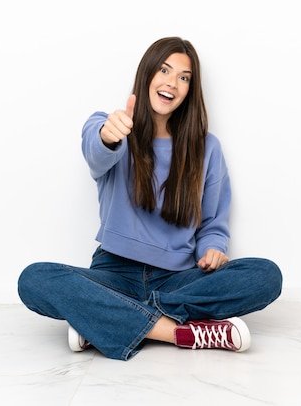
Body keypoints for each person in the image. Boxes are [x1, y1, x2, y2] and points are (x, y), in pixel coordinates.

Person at [17, 37, 283, 361]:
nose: (172, 83)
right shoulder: (114, 127)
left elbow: (213, 223)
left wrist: (213, 249)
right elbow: (95, 150)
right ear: (147, 74)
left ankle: (105, 320)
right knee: (34, 279)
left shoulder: (207, 148)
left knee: (265, 275)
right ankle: (177, 332)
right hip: (114, 274)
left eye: (184, 77)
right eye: (164, 70)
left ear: (190, 90)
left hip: (178, 280)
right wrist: (107, 136)